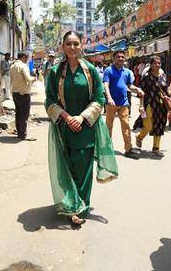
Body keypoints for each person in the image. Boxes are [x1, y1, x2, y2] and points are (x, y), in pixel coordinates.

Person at [45, 31, 118, 225]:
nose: (72, 47)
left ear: (81, 45)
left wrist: (81, 117)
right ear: (62, 46)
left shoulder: (91, 70)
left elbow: (99, 97)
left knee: (84, 169)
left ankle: (81, 207)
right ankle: (70, 203)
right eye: (68, 44)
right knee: (66, 167)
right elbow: (50, 100)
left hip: (86, 127)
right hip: (64, 127)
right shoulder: (55, 72)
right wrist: (68, 117)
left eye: (76, 44)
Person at [103, 50, 144, 159]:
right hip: (111, 103)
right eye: (118, 57)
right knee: (109, 126)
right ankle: (106, 148)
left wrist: (137, 89)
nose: (121, 58)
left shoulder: (126, 72)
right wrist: (109, 98)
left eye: (122, 57)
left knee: (126, 125)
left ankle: (128, 149)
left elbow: (129, 86)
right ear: (114, 58)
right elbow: (106, 85)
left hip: (124, 103)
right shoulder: (108, 70)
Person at [135, 56, 168, 157]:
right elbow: (141, 92)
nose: (157, 65)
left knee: (159, 125)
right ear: (151, 64)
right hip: (149, 103)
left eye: (159, 63)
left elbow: (165, 89)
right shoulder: (147, 76)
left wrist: (168, 99)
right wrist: (141, 106)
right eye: (155, 63)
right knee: (148, 126)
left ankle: (156, 148)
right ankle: (139, 137)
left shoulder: (163, 75)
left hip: (161, 105)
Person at [10, 52, 37, 141]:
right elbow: (28, 79)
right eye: (27, 58)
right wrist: (34, 78)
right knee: (24, 115)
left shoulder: (12, 66)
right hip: (23, 94)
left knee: (18, 114)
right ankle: (23, 135)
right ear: (23, 57)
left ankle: (19, 133)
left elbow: (11, 80)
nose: (27, 60)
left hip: (15, 93)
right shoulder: (23, 66)